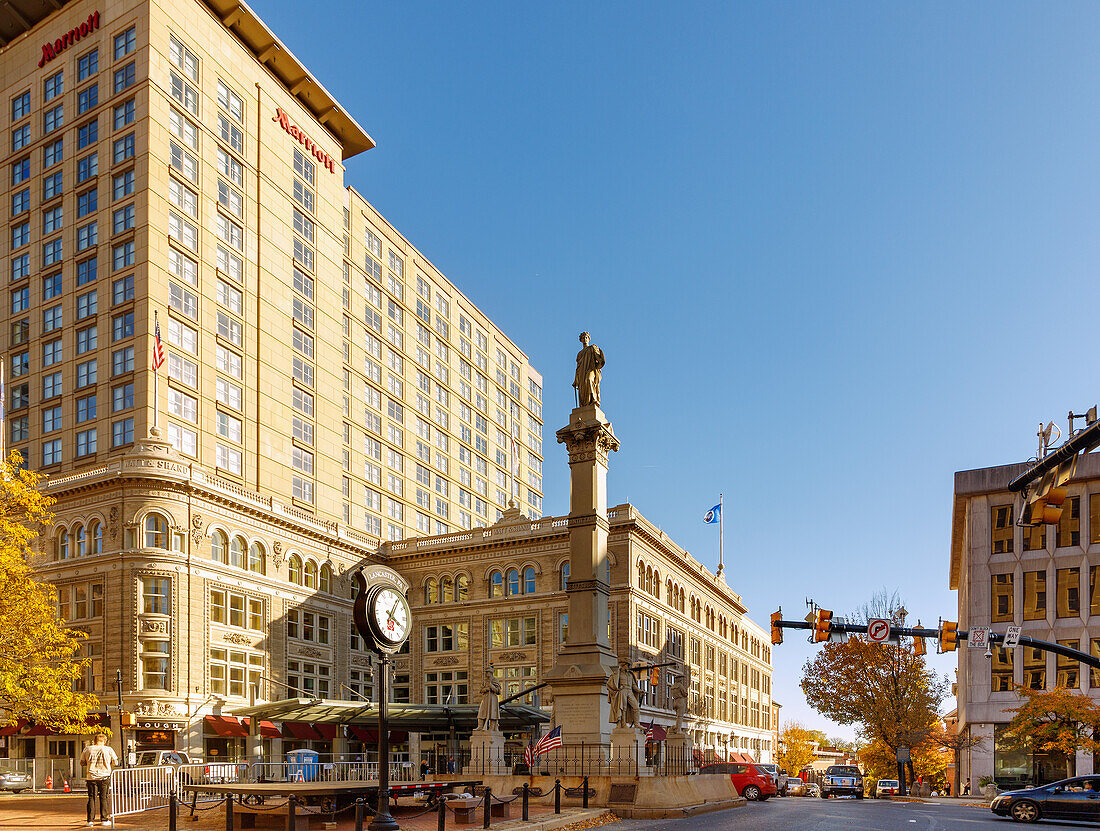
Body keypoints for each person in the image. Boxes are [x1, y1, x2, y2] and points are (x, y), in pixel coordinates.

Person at [80, 733, 118, 828]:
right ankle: (104, 819)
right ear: (104, 741)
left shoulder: (87, 749)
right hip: (104, 776)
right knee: (104, 797)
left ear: (95, 740)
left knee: (91, 798)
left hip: (91, 777)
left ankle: (90, 820)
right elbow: (116, 762)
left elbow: (82, 762)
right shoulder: (108, 749)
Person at [572, 332, 605, 408]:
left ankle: (593, 399)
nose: (585, 339)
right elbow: (578, 368)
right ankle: (585, 405)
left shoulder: (592, 348)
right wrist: (575, 380)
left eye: (586, 338)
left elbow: (598, 358)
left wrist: (601, 361)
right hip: (582, 372)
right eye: (583, 338)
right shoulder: (579, 354)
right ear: (581, 340)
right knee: (582, 388)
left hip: (591, 369)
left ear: (589, 339)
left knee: (589, 379)